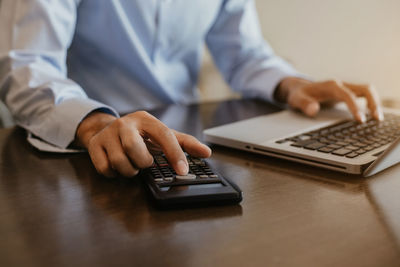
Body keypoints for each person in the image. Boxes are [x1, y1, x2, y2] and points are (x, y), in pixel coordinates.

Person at [0, 0, 383, 178]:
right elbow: (25, 64)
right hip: (83, 148)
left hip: (186, 141)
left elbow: (243, 51)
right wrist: (93, 123)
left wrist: (292, 84)